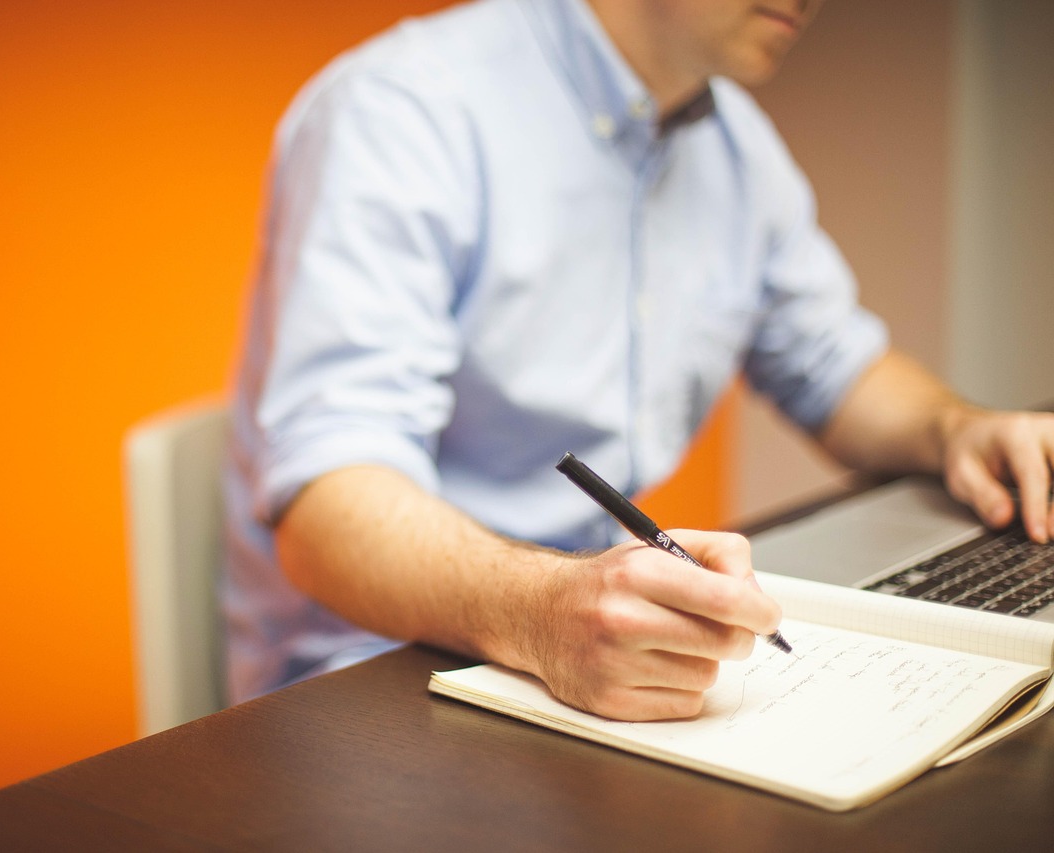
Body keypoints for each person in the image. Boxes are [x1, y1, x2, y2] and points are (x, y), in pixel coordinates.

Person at [221, 0, 1054, 719]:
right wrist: (546, 611)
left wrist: (956, 429)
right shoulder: (402, 112)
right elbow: (327, 512)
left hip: (584, 646)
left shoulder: (733, 146)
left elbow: (834, 365)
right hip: (373, 685)